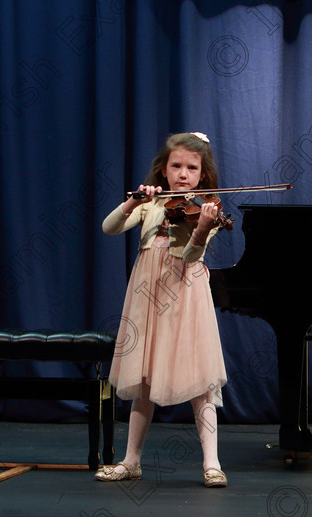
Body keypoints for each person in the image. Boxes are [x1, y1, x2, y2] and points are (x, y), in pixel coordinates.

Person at [95, 132, 228, 488]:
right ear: (164, 169)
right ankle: (131, 461)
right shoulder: (151, 205)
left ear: (202, 173)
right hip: (148, 291)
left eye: (191, 168)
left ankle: (212, 463)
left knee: (200, 377)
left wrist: (201, 229)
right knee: (142, 376)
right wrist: (131, 202)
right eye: (176, 166)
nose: (183, 174)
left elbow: (190, 256)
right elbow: (109, 228)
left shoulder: (207, 208)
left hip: (184, 291)